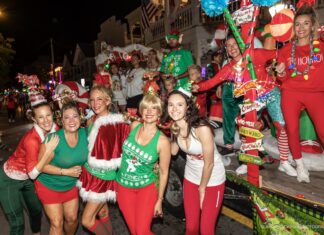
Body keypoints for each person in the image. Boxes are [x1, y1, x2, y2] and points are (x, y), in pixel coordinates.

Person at [276, 3, 324, 183]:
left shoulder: (322, 47)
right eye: (297, 24)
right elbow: (281, 77)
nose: (301, 28)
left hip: (316, 93)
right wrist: (280, 72)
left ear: (312, 26)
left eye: (305, 23)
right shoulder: (285, 50)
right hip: (291, 92)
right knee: (292, 130)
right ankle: (300, 166)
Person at [167, 90, 225, 235]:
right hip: (191, 177)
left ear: (187, 107)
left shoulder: (201, 128)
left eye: (179, 104)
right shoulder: (175, 127)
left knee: (206, 230)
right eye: (171, 105)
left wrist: (202, 189)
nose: (174, 109)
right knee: (191, 228)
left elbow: (209, 163)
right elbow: (172, 151)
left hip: (212, 180)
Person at [0, 100, 58, 235]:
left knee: (37, 211)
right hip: (9, 179)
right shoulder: (31, 139)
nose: (46, 120)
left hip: (28, 180)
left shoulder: (55, 129)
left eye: (48, 115)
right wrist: (48, 152)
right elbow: (33, 173)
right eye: (40, 117)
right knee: (17, 223)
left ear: (53, 114)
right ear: (34, 119)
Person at [77, 85, 130, 235]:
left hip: (104, 177)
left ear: (107, 101)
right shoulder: (90, 120)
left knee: (87, 220)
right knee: (103, 213)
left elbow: (129, 143)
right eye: (92, 100)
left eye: (99, 99)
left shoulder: (118, 122)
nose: (95, 103)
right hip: (89, 173)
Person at [116, 94, 171, 235]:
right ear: (141, 110)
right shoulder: (134, 126)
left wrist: (160, 200)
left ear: (159, 113)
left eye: (154, 108)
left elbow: (164, 172)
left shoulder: (162, 141)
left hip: (146, 188)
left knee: (141, 232)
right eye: (145, 108)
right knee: (135, 231)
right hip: (123, 187)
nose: (149, 111)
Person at [35, 101, 88, 235]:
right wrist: (66, 172)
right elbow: (41, 167)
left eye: (75, 116)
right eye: (67, 117)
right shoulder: (53, 139)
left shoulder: (85, 134)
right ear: (61, 120)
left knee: (72, 219)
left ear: (80, 118)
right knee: (57, 223)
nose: (71, 120)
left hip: (70, 185)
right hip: (49, 185)